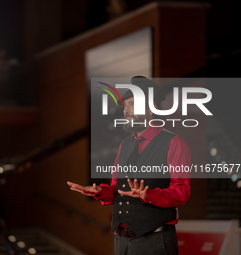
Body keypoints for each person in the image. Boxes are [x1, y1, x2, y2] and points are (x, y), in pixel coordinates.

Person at [67, 76, 191, 255]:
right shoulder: (125, 144)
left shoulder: (174, 142)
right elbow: (116, 188)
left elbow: (182, 192)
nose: (126, 110)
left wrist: (149, 195)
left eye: (132, 104)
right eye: (125, 105)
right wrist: (101, 192)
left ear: (151, 108)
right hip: (121, 240)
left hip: (154, 241)